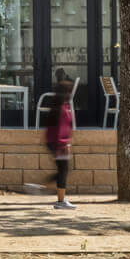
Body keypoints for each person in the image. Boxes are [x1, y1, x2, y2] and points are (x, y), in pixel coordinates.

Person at [42, 78, 77, 210]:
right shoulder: (60, 108)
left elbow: (66, 127)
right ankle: (60, 201)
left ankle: (44, 188)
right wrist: (62, 145)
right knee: (63, 170)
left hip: (58, 143)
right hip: (57, 144)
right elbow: (59, 129)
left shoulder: (63, 106)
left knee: (63, 170)